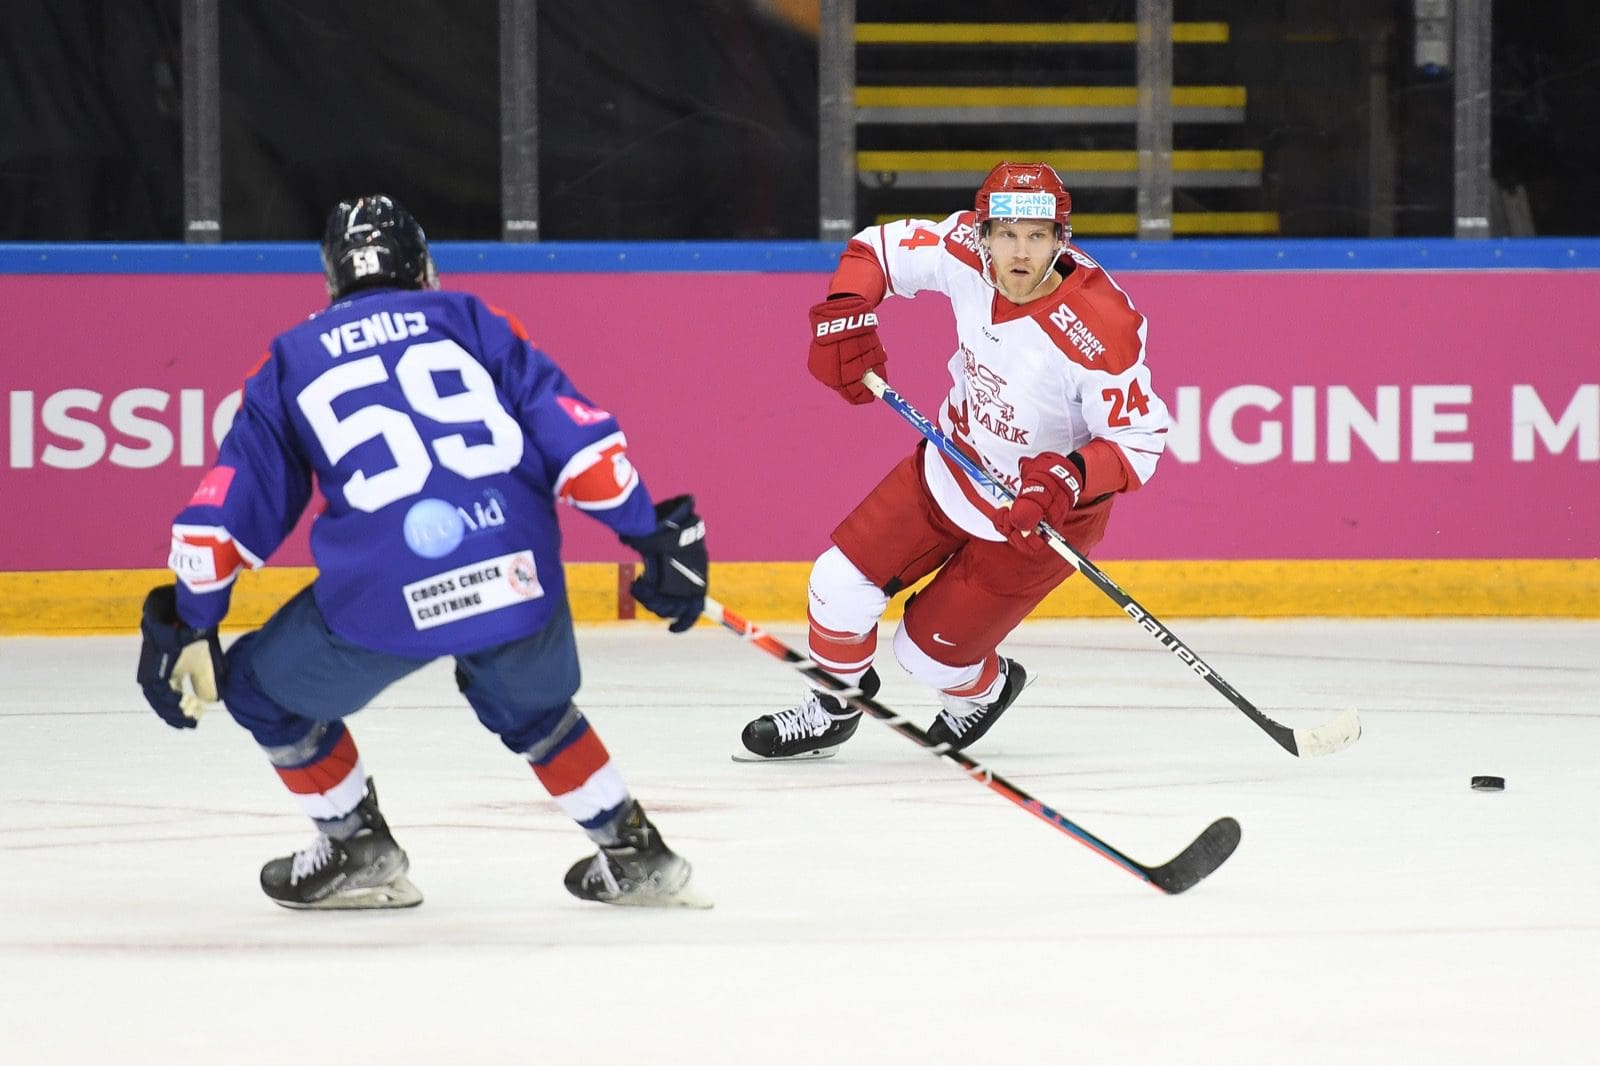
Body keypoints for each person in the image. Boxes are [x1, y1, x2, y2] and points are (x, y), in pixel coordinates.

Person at [136, 194, 711, 910]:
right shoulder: (470, 317)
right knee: (533, 708)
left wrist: (192, 616)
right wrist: (648, 533)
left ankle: (353, 841)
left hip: (384, 593)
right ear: (423, 266)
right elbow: (579, 441)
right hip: (512, 567)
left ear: (333, 280)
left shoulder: (291, 359)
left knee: (257, 690)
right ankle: (634, 851)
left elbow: (225, 517)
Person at [737, 161, 1170, 761]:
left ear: (1060, 240)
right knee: (836, 585)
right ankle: (835, 708)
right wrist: (847, 311)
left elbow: (1138, 443)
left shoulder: (1102, 327)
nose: (1020, 253)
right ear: (984, 233)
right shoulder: (962, 249)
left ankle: (985, 692)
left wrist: (1070, 476)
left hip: (1038, 519)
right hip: (949, 466)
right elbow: (876, 250)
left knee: (928, 656)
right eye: (1007, 234)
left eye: (1038, 237)